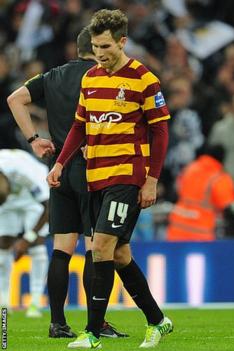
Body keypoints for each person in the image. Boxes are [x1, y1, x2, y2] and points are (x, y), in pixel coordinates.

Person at [47, 9, 173, 348]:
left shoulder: (144, 79)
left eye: (105, 46)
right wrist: (60, 163)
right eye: (95, 46)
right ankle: (158, 321)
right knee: (118, 255)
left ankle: (90, 333)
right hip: (95, 177)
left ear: (122, 41)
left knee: (100, 247)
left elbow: (160, 132)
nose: (100, 53)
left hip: (127, 176)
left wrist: (151, 179)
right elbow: (79, 126)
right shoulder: (91, 78)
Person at [7, 26, 128, 339]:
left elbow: (15, 99)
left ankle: (57, 323)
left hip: (58, 169)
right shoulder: (102, 76)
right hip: (92, 168)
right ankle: (95, 324)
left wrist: (34, 139)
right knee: (95, 248)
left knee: (61, 249)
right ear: (97, 47)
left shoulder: (52, 76)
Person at [0, 149, 49, 319]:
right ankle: (3, 303)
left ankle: (35, 303)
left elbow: (48, 206)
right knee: (3, 245)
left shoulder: (26, 173)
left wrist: (27, 239)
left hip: (32, 200)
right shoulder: (3, 191)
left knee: (37, 246)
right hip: (5, 195)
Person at [167, 145, 234, 241]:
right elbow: (228, 206)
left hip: (176, 228)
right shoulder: (221, 178)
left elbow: (178, 189)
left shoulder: (190, 168)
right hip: (201, 233)